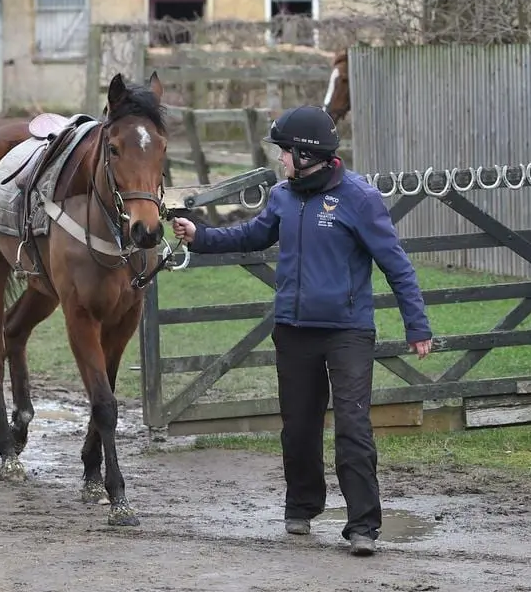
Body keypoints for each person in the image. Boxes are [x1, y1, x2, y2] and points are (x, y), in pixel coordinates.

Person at [172, 105, 433, 557]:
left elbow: (397, 265)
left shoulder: (359, 198)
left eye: (284, 153)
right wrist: (201, 235)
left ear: (305, 154)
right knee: (298, 428)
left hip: (347, 332)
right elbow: (252, 235)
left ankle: (363, 526)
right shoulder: (283, 196)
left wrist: (417, 324)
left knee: (353, 428)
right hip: (293, 331)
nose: (280, 161)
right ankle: (303, 506)